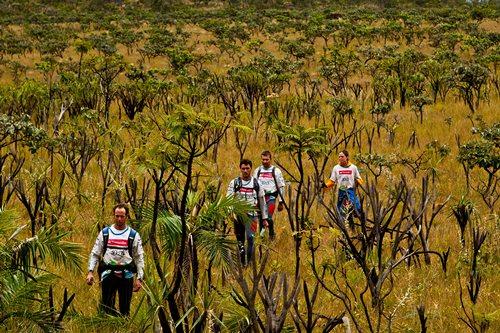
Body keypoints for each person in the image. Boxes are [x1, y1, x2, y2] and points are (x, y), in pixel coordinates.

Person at [86, 203, 145, 316]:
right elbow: (95, 253)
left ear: (127, 216)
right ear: (113, 215)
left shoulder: (133, 235)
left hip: (126, 275)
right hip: (108, 274)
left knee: (125, 309)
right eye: (117, 216)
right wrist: (90, 272)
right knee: (107, 307)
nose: (119, 219)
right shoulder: (105, 233)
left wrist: (139, 278)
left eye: (122, 216)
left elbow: (139, 257)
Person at [227, 159, 268, 266]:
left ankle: (249, 262)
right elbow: (229, 199)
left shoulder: (256, 183)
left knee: (250, 238)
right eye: (243, 168)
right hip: (238, 215)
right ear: (240, 169)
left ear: (251, 169)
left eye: (247, 168)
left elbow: (262, 201)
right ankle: (242, 261)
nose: (245, 171)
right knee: (240, 240)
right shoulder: (234, 183)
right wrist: (230, 212)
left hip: (252, 216)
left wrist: (264, 218)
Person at [323, 150, 363, 226]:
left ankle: (357, 216)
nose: (340, 158)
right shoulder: (336, 168)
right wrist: (325, 185)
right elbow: (332, 181)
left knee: (357, 207)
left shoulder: (353, 167)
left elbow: (359, 178)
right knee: (341, 211)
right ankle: (344, 227)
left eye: (342, 156)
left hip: (351, 191)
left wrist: (359, 182)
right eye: (339, 156)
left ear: (347, 157)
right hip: (341, 191)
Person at [252, 150, 286, 239]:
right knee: (261, 218)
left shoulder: (276, 171)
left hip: (271, 197)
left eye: (267, 159)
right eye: (263, 159)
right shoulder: (257, 171)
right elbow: (254, 186)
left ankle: (271, 233)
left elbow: (281, 186)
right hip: (260, 198)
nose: (265, 161)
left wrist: (281, 202)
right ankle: (261, 238)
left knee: (268, 217)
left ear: (270, 159)